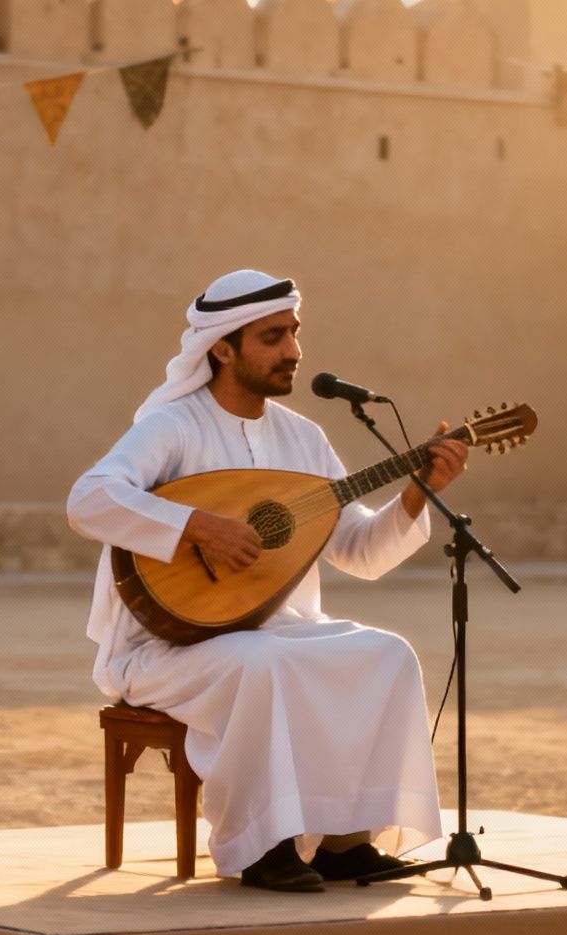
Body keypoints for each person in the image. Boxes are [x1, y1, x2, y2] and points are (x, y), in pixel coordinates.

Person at [67, 270, 469, 892]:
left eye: (295, 333)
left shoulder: (302, 438)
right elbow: (88, 500)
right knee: (260, 664)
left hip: (276, 630)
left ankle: (343, 840)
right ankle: (262, 846)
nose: (294, 352)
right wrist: (196, 526)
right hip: (169, 646)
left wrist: (420, 493)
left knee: (387, 655)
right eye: (273, 336)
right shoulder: (174, 426)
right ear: (222, 347)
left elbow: (359, 551)